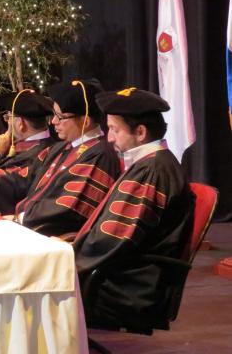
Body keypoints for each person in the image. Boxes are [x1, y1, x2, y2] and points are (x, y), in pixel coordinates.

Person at [72, 87, 195, 328]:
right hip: (123, 273)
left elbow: (114, 238)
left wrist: (66, 255)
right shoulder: (150, 164)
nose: (109, 138)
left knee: (38, 283)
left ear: (140, 132)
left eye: (115, 130)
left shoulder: (153, 170)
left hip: (128, 285)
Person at [0, 79, 120, 237]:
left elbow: (68, 206)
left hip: (48, 237)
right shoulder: (60, 148)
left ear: (85, 121)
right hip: (27, 227)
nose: (53, 122)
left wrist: (18, 219)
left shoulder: (100, 155)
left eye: (60, 117)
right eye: (54, 115)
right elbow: (21, 180)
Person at [0, 89, 56, 183]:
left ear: (20, 123)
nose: (8, 122)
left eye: (8, 117)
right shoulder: (55, 146)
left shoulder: (28, 157)